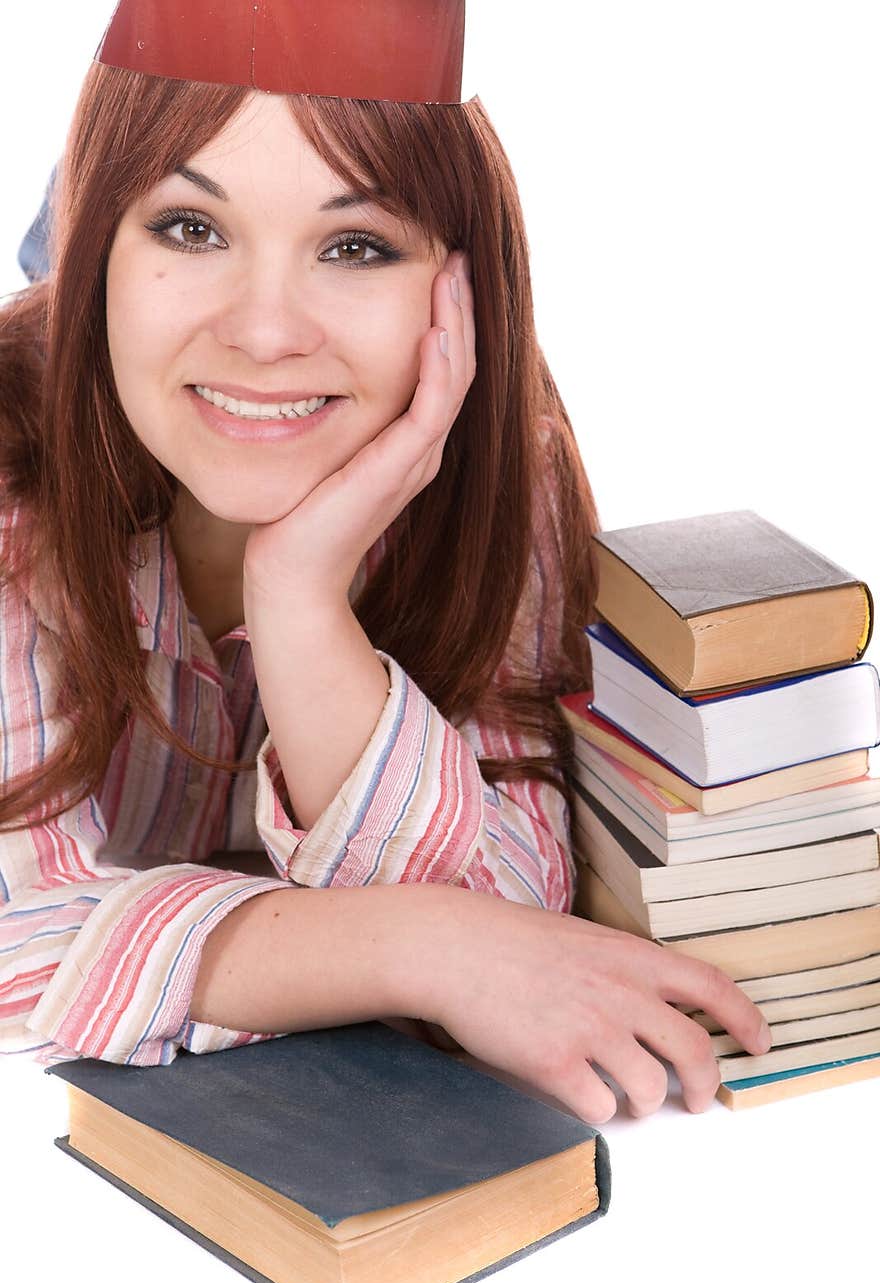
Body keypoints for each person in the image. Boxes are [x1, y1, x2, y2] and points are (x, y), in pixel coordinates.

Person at [0, 0, 770, 1123]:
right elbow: (20, 941)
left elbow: (523, 901)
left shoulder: (493, 474)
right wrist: (421, 944)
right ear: (95, 254)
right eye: (188, 229)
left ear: (453, 293)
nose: (265, 333)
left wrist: (302, 602)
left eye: (355, 246)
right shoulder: (17, 480)